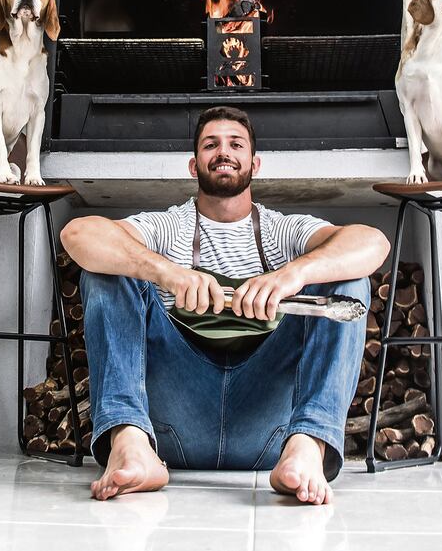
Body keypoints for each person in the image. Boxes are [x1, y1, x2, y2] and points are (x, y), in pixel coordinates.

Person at [60, 105, 390, 505]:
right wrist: (168, 273)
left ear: (255, 162)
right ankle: (130, 445)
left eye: (236, 143)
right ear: (193, 164)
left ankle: (307, 450)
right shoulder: (170, 226)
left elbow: (373, 242)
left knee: (349, 280)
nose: (223, 152)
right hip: (172, 427)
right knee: (105, 271)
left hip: (270, 430)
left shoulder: (282, 230)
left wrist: (291, 276)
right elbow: (79, 232)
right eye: (210, 144)